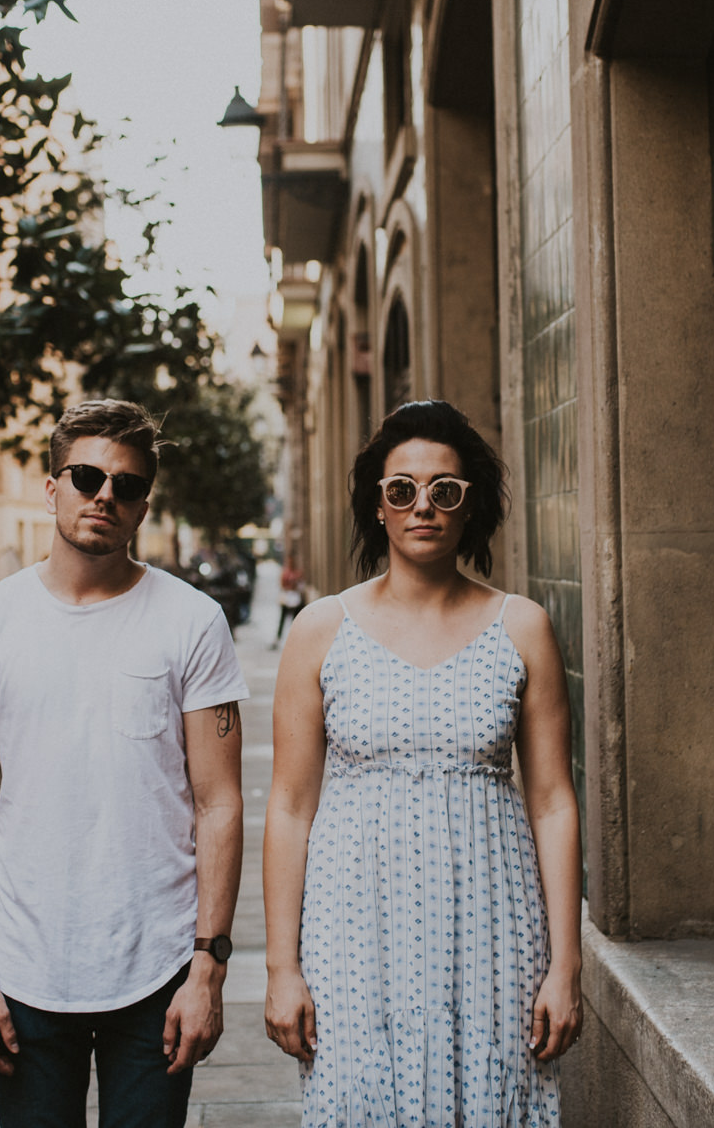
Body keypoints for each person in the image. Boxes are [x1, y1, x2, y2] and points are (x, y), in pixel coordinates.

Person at [263, 400, 583, 1125]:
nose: (423, 506)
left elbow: (554, 802)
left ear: (471, 505)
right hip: (353, 932)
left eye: (446, 489)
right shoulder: (321, 630)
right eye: (401, 489)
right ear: (377, 505)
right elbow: (287, 807)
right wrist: (282, 966)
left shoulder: (522, 626)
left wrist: (565, 964)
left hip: (493, 929)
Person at [0, 399, 248, 1128]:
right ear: (52, 487)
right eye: (85, 475)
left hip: (160, 968)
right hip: (25, 970)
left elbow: (220, 804)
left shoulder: (193, 621)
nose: (105, 493)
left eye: (128, 484)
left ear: (143, 506)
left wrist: (208, 965)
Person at [272, 557, 305, 649]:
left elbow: (300, 584)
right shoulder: (286, 573)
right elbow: (282, 584)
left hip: (295, 600)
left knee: (295, 621)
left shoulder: (298, 573)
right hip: (287, 599)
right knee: (283, 620)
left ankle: (296, 639)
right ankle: (278, 639)